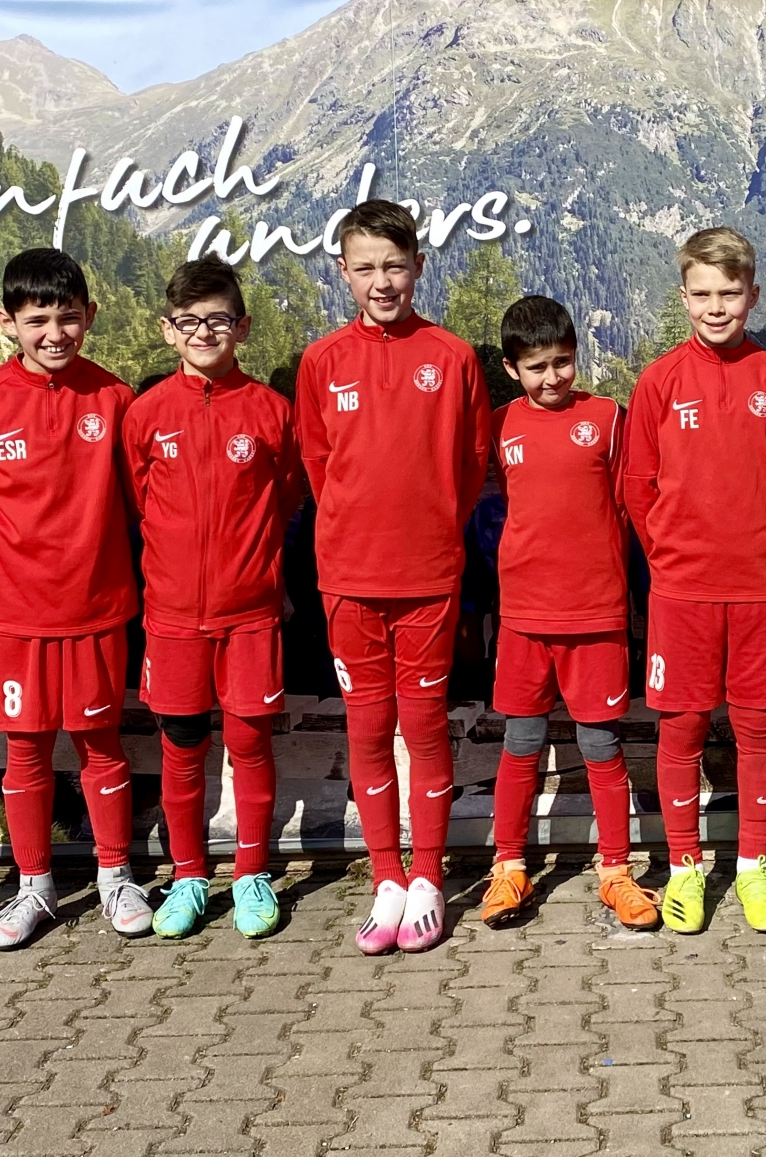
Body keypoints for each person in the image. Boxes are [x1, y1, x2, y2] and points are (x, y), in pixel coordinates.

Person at [296, 200, 491, 954]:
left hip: (429, 577)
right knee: (370, 729)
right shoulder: (322, 361)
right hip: (349, 578)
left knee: (425, 725)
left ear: (419, 267)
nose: (382, 282)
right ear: (343, 272)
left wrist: (431, 524)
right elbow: (319, 465)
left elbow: (471, 464)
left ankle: (429, 878)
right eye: (366, 268)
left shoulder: (453, 356)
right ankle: (386, 877)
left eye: (395, 266)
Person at [0, 248, 152, 950]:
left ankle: (116, 875)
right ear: (6, 321)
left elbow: (135, 499)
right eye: (38, 320)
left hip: (96, 606)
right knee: (27, 749)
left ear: (89, 316)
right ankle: (34, 885)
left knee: (100, 743)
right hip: (17, 612)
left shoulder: (114, 398)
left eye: (68, 317)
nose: (54, 333)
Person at [623, 226, 766, 934]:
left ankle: (754, 865)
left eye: (729, 293)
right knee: (682, 727)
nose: (716, 307)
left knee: (760, 726)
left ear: (752, 295)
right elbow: (638, 484)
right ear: (683, 297)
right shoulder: (660, 381)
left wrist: (764, 544)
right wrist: (672, 554)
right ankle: (684, 866)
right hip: (683, 591)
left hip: (759, 588)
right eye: (702, 293)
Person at [123, 256, 301, 939]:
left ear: (242, 327)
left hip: (250, 614)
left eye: (218, 319)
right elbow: (139, 499)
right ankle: (189, 875)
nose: (204, 332)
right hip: (172, 617)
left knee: (250, 743)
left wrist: (254, 568)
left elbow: (285, 494)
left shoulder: (271, 411)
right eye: (189, 321)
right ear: (168, 329)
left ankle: (252, 872)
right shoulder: (145, 415)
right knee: (182, 747)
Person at [479, 296, 659, 931]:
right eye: (537, 367)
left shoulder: (608, 417)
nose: (552, 377)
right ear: (511, 369)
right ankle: (508, 867)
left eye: (563, 362)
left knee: (600, 744)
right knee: (521, 743)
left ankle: (616, 872)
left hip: (596, 615)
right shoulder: (498, 424)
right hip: (524, 616)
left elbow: (630, 506)